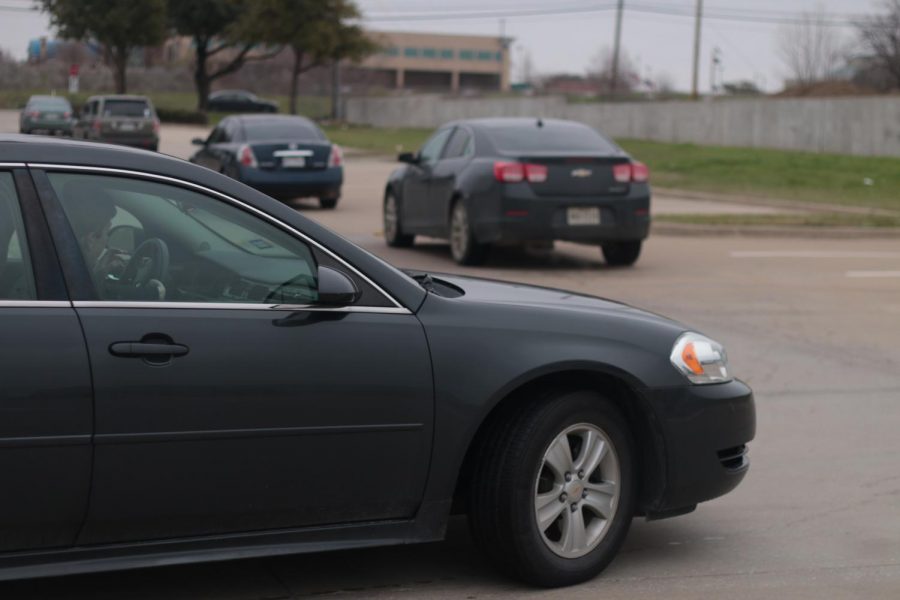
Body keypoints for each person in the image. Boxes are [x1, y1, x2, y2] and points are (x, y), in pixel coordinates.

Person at [62, 179, 165, 300]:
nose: (107, 242)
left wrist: (99, 273)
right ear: (91, 240)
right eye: (107, 233)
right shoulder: (71, 280)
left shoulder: (63, 267)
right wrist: (154, 294)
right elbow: (94, 296)